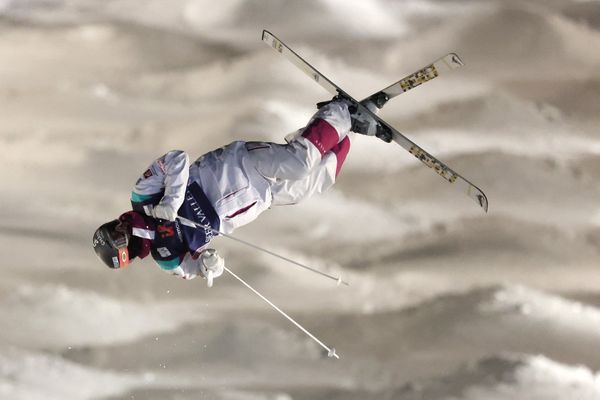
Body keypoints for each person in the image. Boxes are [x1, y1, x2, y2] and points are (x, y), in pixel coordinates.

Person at [92, 97, 380, 284]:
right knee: (308, 185)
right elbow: (195, 270)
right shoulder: (166, 256)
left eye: (115, 230)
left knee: (298, 163)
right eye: (120, 240)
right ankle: (349, 127)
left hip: (237, 166)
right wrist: (209, 264)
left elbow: (176, 159)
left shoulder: (142, 197)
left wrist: (171, 200)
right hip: (256, 200)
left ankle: (340, 110)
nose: (122, 232)